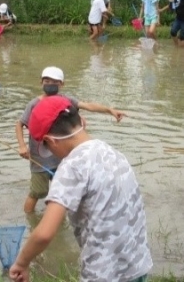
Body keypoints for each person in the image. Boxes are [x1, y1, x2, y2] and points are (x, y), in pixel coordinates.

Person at [10, 95, 153, 282]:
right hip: (138, 265)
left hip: (104, 274)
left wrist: (21, 263)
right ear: (82, 122)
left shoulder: (71, 166)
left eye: (48, 148)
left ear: (50, 141)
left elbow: (44, 233)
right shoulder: (114, 153)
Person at [15, 66, 126, 213]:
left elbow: (87, 105)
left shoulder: (65, 101)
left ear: (62, 84)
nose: (50, 84)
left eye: (55, 81)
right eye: (47, 81)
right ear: (41, 82)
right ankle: (29, 220)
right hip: (40, 160)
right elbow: (20, 123)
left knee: (60, 195)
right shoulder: (34, 104)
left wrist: (109, 110)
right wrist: (22, 146)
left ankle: (54, 221)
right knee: (37, 192)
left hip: (61, 158)